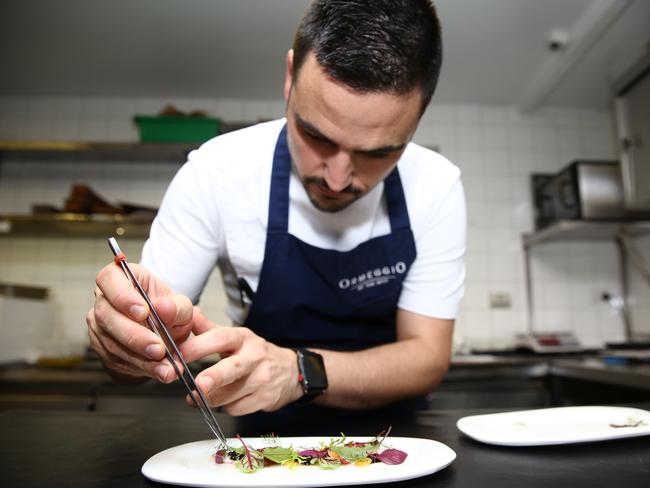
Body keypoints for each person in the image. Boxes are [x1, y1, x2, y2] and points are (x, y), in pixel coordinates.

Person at [86, 0, 465, 416]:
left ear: (420, 114)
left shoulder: (435, 185)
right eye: (316, 136)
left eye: (377, 153)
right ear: (290, 77)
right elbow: (134, 365)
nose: (338, 178)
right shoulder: (218, 173)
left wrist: (300, 372)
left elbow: (427, 357)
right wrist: (124, 341)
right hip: (263, 437)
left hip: (400, 441)